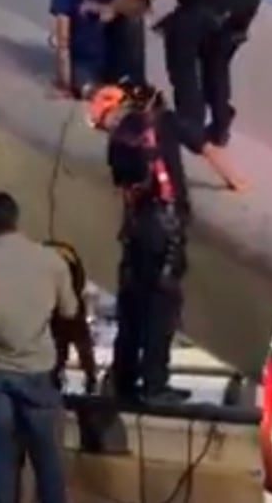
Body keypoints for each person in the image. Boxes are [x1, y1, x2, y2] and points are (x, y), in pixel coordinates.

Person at [103, 0, 261, 192]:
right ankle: (220, 123)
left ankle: (191, 122)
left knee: (179, 38)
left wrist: (111, 10)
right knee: (216, 55)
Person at [0, 192, 78, 503]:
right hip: (38, 369)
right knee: (47, 458)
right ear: (16, 219)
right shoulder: (51, 260)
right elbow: (70, 311)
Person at [87, 82, 191, 403]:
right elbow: (167, 184)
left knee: (132, 307)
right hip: (163, 224)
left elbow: (126, 183)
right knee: (162, 305)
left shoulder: (118, 142)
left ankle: (125, 379)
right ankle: (156, 383)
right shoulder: (153, 126)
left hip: (135, 228)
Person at [49, 0, 146, 99]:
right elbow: (63, 40)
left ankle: (137, 85)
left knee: (133, 20)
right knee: (92, 93)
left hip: (114, 60)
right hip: (84, 63)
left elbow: (140, 7)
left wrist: (109, 8)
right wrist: (64, 84)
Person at [43, 241, 98, 394]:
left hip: (58, 309)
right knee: (81, 346)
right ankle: (90, 377)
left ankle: (56, 375)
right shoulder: (67, 256)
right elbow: (79, 281)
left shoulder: (48, 257)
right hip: (71, 305)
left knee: (60, 345)